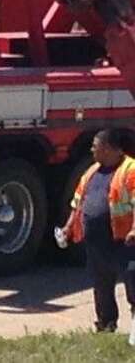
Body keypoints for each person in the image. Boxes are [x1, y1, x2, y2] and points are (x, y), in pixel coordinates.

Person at [60, 129, 135, 333]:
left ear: (109, 149)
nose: (92, 149)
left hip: (125, 242)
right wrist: (68, 228)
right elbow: (78, 203)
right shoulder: (92, 171)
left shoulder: (131, 170)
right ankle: (105, 324)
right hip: (97, 242)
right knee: (101, 284)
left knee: (133, 284)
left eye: (95, 145)